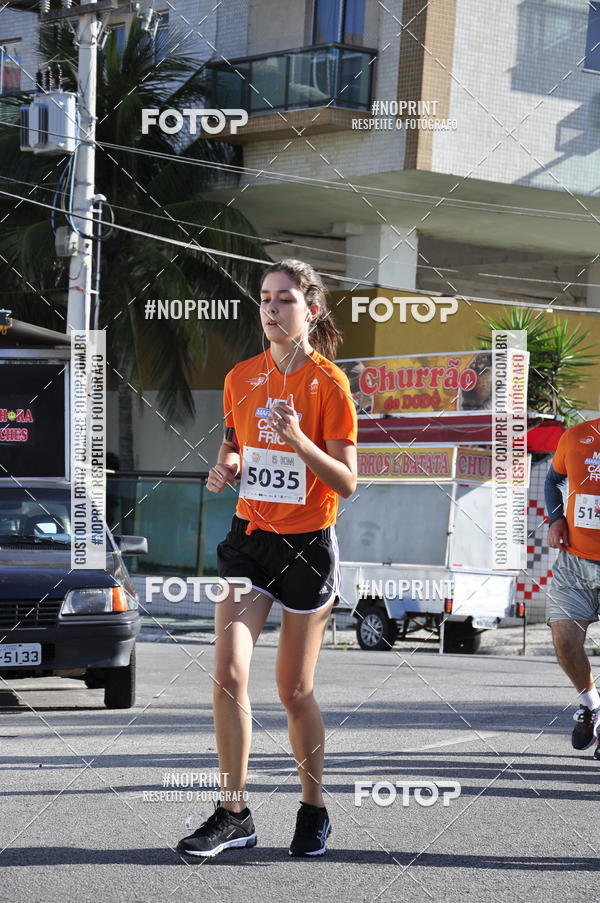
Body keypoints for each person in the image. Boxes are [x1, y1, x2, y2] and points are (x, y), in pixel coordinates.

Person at [177, 259, 358, 858]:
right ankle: (234, 813)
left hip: (307, 545)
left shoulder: (329, 384)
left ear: (311, 309)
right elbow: (232, 448)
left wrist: (301, 440)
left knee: (293, 690)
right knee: (228, 675)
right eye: (264, 298)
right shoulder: (240, 378)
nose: (272, 309)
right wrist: (224, 469)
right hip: (249, 540)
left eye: (285, 299)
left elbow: (348, 481)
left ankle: (313, 807)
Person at [545, 412, 600, 756]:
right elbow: (552, 481)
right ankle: (590, 704)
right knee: (565, 640)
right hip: (574, 562)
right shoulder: (577, 435)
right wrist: (556, 519)